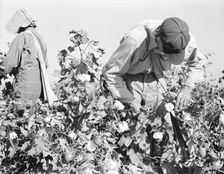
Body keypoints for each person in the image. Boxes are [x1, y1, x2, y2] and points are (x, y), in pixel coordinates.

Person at [102, 17, 206, 113]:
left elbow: (198, 63)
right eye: (165, 53)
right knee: (134, 124)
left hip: (157, 80)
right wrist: (130, 100)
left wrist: (187, 87)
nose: (166, 57)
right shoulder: (135, 40)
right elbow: (111, 74)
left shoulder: (184, 39)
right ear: (157, 37)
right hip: (129, 80)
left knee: (163, 125)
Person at [2, 9, 57, 104]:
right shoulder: (40, 39)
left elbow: (8, 64)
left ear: (20, 25)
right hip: (39, 90)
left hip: (24, 89)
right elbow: (45, 64)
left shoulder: (22, 36)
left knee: (20, 115)